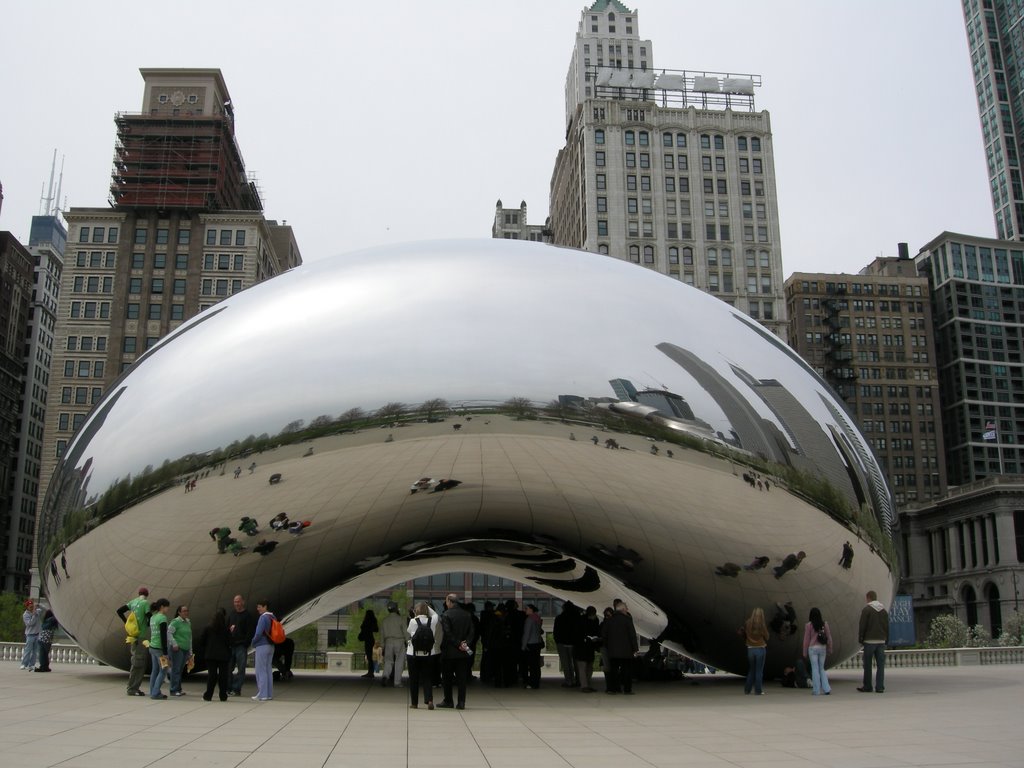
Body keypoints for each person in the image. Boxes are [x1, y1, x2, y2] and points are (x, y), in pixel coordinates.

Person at [438, 593, 475, 709]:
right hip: (463, 653)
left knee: (447, 678)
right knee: (462, 679)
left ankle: (448, 700)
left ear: (449, 601)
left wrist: (458, 643)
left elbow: (448, 634)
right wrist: (465, 644)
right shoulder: (467, 614)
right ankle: (461, 702)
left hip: (449, 652)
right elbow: (472, 632)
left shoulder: (446, 615)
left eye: (446, 601)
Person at [115, 586, 151, 695]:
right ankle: (133, 688)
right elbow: (149, 615)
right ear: (147, 594)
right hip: (141, 636)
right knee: (139, 663)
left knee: (136, 660)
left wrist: (126, 622)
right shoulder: (145, 603)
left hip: (133, 635)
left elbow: (119, 611)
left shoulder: (133, 602)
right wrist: (149, 623)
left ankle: (133, 687)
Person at [601, 599, 639, 695]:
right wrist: (635, 648)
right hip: (626, 651)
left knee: (614, 670)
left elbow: (604, 635)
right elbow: (632, 635)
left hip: (613, 651)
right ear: (622, 609)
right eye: (626, 608)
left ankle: (613, 689)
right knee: (626, 671)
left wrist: (607, 646)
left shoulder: (609, 620)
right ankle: (627, 689)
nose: (627, 609)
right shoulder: (627, 620)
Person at [406, 602, 439, 709]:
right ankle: (429, 700)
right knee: (427, 678)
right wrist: (427, 606)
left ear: (416, 611)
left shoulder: (413, 621)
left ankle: (414, 703)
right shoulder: (433, 621)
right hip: (429, 654)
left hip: (413, 654)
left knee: (413, 679)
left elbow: (409, 632)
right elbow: (435, 614)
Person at [858, 590, 889, 693]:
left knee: (867, 665)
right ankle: (880, 687)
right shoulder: (883, 610)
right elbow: (886, 626)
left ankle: (867, 686)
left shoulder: (866, 610)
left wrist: (861, 638)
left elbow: (862, 625)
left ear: (868, 597)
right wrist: (886, 638)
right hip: (881, 641)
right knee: (880, 665)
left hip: (869, 641)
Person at [197, 608, 232, 701]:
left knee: (212, 675)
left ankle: (208, 695)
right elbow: (229, 641)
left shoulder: (208, 628)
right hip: (223, 655)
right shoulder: (226, 629)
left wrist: (207, 647)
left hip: (211, 654)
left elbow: (201, 640)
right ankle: (223, 695)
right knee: (223, 676)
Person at [227, 594, 255, 696]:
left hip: (241, 646)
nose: (237, 604)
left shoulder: (247, 615)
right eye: (235, 602)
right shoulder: (232, 614)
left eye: (238, 602)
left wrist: (245, 643)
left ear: (243, 602)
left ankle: (236, 688)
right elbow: (227, 628)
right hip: (231, 646)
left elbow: (250, 631)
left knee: (241, 668)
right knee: (228, 668)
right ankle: (228, 687)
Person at [802, 607, 833, 695]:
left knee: (814, 669)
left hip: (813, 648)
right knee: (821, 668)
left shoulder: (809, 625)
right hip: (822, 648)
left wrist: (804, 652)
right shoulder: (824, 624)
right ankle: (826, 688)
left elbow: (806, 639)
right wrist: (830, 648)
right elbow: (829, 637)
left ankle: (816, 690)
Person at [741, 607, 768, 695]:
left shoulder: (747, 623)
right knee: (759, 671)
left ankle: (747, 689)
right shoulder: (762, 625)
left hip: (750, 649)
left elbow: (744, 633)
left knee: (752, 669)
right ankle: (758, 690)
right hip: (760, 648)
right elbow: (767, 637)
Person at [148, 598, 172, 699]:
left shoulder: (153, 617)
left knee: (155, 670)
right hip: (160, 649)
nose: (168, 609)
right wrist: (166, 652)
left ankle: (152, 690)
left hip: (152, 646)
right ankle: (156, 692)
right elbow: (163, 636)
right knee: (164, 670)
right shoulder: (162, 618)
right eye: (167, 607)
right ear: (162, 607)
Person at [251, 600, 275, 701]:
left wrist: (253, 643)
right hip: (271, 645)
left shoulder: (263, 617)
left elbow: (258, 633)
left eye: (260, 606)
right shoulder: (272, 617)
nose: (258, 609)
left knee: (260, 670)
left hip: (262, 645)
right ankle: (268, 694)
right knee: (268, 669)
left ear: (265, 607)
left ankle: (262, 694)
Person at [380, 601, 407, 687]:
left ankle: (385, 675)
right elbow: (406, 632)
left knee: (388, 661)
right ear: (396, 609)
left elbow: (382, 634)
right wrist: (408, 641)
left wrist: (382, 645)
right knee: (399, 661)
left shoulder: (385, 620)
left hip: (388, 641)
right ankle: (397, 682)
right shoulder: (401, 619)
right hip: (399, 641)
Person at [553, 601, 580, 688]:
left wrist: (557, 641)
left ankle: (569, 681)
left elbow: (556, 631)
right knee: (577, 663)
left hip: (562, 643)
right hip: (575, 643)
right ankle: (579, 680)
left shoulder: (559, 618)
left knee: (566, 663)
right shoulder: (577, 617)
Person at [168, 605, 193, 697]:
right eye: (184, 611)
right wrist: (174, 643)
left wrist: (190, 651)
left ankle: (178, 688)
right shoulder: (175, 622)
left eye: (187, 610)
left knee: (180, 669)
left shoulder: (188, 622)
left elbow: (190, 637)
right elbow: (169, 633)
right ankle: (174, 689)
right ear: (179, 612)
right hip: (178, 649)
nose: (186, 612)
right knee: (176, 669)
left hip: (185, 649)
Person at [575, 605, 600, 692]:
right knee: (586, 667)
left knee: (585, 667)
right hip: (586, 647)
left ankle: (585, 685)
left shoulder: (581, 620)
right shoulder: (594, 621)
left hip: (583, 647)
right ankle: (585, 685)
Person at [521, 604, 544, 689]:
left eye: (527, 609)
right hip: (537, 643)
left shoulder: (529, 619)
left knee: (531, 665)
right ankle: (536, 682)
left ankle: (532, 682)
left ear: (531, 610)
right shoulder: (537, 618)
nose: (525, 610)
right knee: (536, 665)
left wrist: (523, 646)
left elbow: (526, 634)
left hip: (530, 644)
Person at [21, 599, 44, 671]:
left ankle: (32, 664)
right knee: (28, 650)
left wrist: (38, 605)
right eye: (30, 607)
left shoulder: (37, 611)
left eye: (32, 606)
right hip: (30, 634)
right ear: (27, 607)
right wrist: (34, 614)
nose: (31, 608)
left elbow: (43, 609)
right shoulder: (25, 615)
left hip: (37, 634)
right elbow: (30, 624)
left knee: (35, 651)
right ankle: (24, 664)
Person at [358, 609, 379, 678]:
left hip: (368, 639)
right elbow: (376, 629)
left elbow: (364, 628)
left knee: (369, 655)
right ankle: (370, 671)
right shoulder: (373, 621)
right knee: (369, 656)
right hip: (370, 638)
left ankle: (370, 672)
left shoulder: (367, 621)